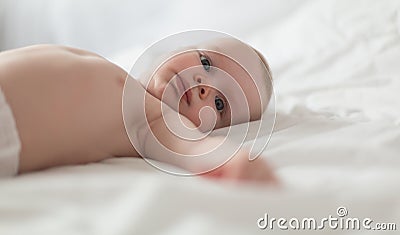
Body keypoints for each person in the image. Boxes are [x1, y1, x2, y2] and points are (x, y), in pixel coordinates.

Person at [0, 38, 277, 183]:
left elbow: (192, 146)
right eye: (205, 61)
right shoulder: (116, 73)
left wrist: (230, 159)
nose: (202, 84)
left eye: (219, 104)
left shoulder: (154, 118)